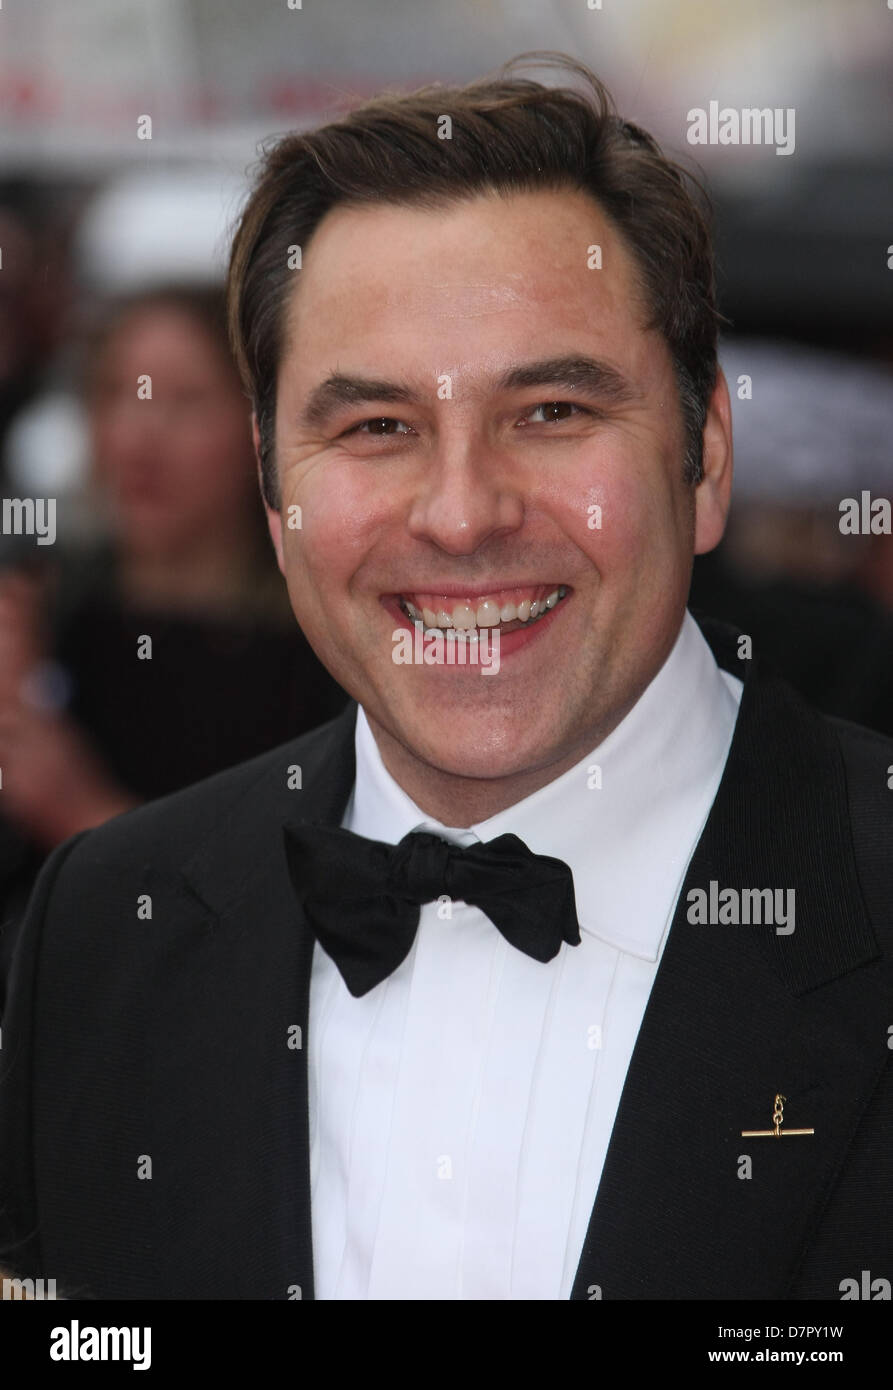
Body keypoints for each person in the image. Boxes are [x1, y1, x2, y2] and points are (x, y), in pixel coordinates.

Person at [0, 53, 890, 1301]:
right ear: (274, 495)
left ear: (701, 458)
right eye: (374, 427)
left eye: (550, 412)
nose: (462, 515)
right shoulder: (104, 931)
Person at [0, 285, 347, 953]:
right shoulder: (51, 621)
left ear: (261, 431)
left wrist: (83, 810)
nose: (139, 437)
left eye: (185, 402)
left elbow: (281, 914)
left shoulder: (316, 657)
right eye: (115, 395)